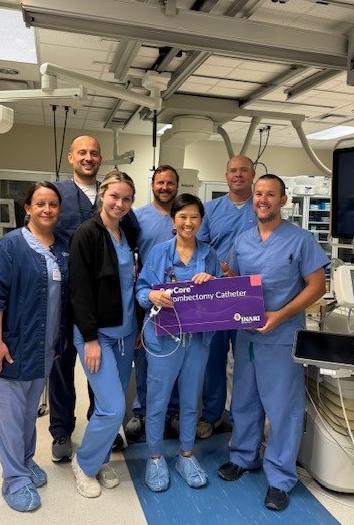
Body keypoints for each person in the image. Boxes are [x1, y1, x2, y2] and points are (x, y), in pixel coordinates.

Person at [217, 174, 329, 511]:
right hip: (246, 333)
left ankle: (280, 477)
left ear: (283, 200)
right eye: (258, 194)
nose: (263, 200)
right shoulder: (243, 240)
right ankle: (243, 456)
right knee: (244, 398)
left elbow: (317, 286)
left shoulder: (301, 240)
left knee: (282, 408)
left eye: (270, 195)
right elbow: (233, 277)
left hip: (281, 335)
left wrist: (279, 315)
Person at [0, 182, 69, 512]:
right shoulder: (10, 246)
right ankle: (13, 479)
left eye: (53, 204)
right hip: (12, 346)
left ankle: (25, 461)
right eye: (40, 204)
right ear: (27, 208)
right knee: (12, 417)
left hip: (45, 348)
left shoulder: (61, 248)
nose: (47, 209)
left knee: (29, 413)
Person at [49, 135, 138, 462]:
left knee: (103, 381)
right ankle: (61, 429)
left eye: (94, 153)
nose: (88, 157)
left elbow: (134, 251)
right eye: (82, 152)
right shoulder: (58, 195)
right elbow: (39, 230)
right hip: (65, 295)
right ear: (71, 156)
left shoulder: (122, 217)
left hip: (111, 312)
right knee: (62, 366)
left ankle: (100, 427)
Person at [136, 193, 223, 492]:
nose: (188, 222)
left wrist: (213, 283)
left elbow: (222, 295)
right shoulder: (160, 253)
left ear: (201, 221)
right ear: (173, 220)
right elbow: (141, 289)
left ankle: (186, 454)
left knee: (190, 400)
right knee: (157, 401)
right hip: (163, 339)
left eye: (194, 217)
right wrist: (151, 296)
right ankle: (156, 457)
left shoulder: (209, 255)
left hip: (197, 341)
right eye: (182, 216)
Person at [68, 170, 140, 498]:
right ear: (102, 195)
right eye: (114, 196)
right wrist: (91, 338)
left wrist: (136, 326)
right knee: (111, 406)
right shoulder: (88, 233)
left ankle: (97, 460)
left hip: (126, 333)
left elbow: (132, 285)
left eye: (126, 199)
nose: (120, 204)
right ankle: (83, 464)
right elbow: (79, 290)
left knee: (111, 407)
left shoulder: (127, 233)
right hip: (97, 336)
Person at [196, 154, 257, 439]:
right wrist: (219, 268)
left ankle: (244, 422)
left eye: (244, 170)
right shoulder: (210, 210)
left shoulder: (261, 209)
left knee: (246, 360)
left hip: (249, 293)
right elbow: (201, 248)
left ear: (252, 174)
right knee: (214, 357)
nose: (238, 175)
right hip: (218, 292)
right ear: (226, 175)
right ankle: (211, 415)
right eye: (233, 170)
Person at [125, 164, 180, 442]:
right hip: (148, 296)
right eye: (160, 182)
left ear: (177, 187)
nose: (165, 187)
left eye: (170, 183)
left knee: (177, 356)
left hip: (182, 300)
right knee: (145, 355)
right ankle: (143, 410)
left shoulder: (183, 216)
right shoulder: (138, 217)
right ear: (153, 185)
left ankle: (173, 410)